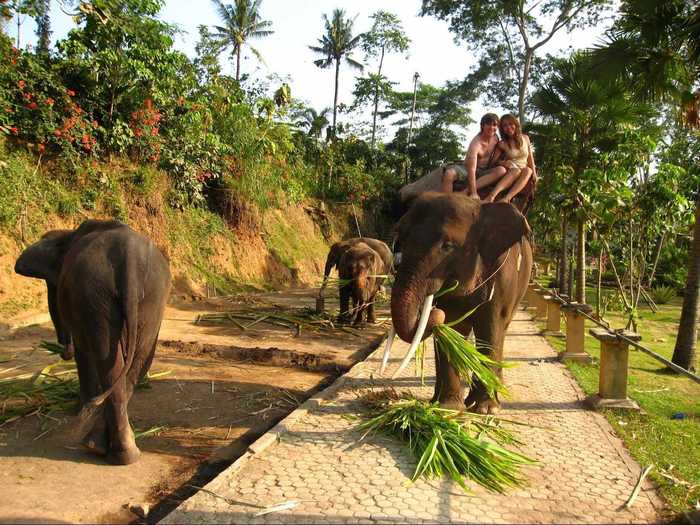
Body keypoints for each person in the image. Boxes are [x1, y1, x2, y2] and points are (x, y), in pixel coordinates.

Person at [441, 113, 507, 198]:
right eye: (488, 124)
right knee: (449, 174)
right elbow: (471, 169)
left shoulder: (495, 138)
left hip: (483, 170)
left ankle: (464, 192)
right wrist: (473, 193)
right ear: (482, 126)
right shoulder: (476, 144)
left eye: (494, 125)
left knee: (501, 170)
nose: (491, 128)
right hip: (467, 169)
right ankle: (446, 201)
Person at [484, 113, 537, 203]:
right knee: (516, 170)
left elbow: (530, 158)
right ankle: (491, 196)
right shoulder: (502, 143)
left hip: (523, 171)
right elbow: (493, 163)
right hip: (511, 170)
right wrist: (503, 163)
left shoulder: (525, 138)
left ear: (515, 124)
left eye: (510, 124)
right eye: (505, 126)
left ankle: (506, 198)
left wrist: (534, 174)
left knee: (529, 171)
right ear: (502, 129)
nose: (508, 127)